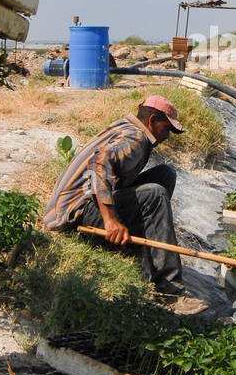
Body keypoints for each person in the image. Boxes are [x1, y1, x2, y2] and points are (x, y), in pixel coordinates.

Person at [42, 96, 202, 306]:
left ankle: (137, 248)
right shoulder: (135, 138)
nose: (168, 136)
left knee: (165, 174)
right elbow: (99, 163)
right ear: (152, 120)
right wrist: (110, 220)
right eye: (167, 129)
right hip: (75, 216)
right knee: (155, 193)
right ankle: (169, 289)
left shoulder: (128, 128)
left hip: (85, 204)